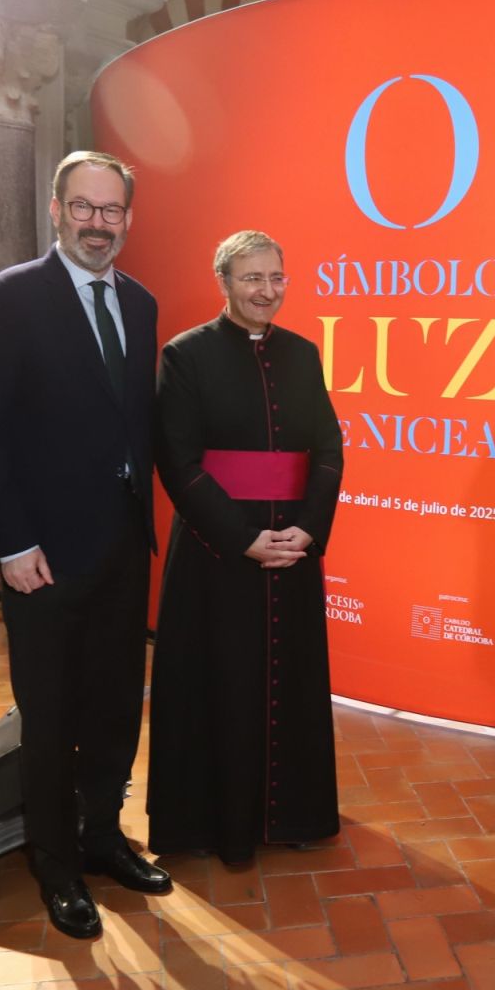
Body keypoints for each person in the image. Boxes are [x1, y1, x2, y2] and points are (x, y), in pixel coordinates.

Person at [0, 151, 168, 944]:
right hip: (39, 554)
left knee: (115, 706)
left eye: (112, 211)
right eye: (84, 207)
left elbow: (131, 424)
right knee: (50, 716)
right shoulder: (10, 297)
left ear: (127, 220)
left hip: (120, 544)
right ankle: (54, 863)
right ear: (55, 209)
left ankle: (103, 835)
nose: (98, 223)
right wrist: (9, 541)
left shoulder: (141, 303)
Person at [147, 231, 343, 863]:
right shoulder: (186, 354)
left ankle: (292, 815)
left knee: (291, 680)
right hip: (217, 549)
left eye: (276, 278)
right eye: (252, 278)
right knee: (219, 680)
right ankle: (218, 826)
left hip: (291, 543)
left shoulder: (304, 353)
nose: (266, 291)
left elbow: (329, 451)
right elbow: (177, 463)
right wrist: (242, 539)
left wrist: (307, 529)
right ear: (224, 283)